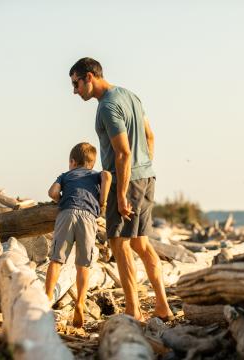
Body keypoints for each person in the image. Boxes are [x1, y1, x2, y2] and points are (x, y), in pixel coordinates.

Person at [68, 57, 174, 321]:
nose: (74, 90)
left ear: (89, 77)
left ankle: (133, 310)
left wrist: (121, 192)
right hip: (146, 177)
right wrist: (144, 167)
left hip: (126, 180)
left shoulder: (107, 106)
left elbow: (124, 153)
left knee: (119, 243)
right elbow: (150, 136)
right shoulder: (130, 96)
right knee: (141, 243)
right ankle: (162, 305)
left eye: (76, 83)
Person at [45, 142, 112, 328]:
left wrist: (60, 198)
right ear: (92, 162)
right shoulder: (96, 175)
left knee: (56, 260)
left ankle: (46, 300)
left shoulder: (66, 175)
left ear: (72, 162)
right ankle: (80, 303)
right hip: (88, 217)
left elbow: (52, 192)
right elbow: (107, 175)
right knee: (83, 265)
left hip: (67, 214)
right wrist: (103, 202)